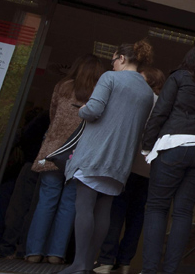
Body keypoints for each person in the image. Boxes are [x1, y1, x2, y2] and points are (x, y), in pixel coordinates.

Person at [58, 40, 156, 274]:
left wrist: (80, 109)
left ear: (122, 58)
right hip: (121, 160)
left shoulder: (110, 78)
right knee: (104, 209)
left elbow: (93, 110)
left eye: (113, 60)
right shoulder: (147, 92)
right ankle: (89, 262)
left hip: (96, 152)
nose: (112, 65)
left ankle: (80, 264)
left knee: (84, 206)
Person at [140, 45, 195, 274]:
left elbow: (160, 112)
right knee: (184, 211)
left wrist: (147, 147)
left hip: (175, 145)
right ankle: (170, 270)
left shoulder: (178, 77)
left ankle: (149, 269)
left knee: (157, 206)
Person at [26, 55, 105, 265]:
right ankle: (56, 254)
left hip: (54, 151)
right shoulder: (100, 93)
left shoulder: (62, 86)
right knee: (70, 204)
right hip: (79, 155)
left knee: (46, 201)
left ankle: (34, 252)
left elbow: (52, 116)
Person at [94, 67, 166, 274]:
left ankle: (106, 260)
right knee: (136, 218)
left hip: (128, 165)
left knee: (115, 212)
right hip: (150, 169)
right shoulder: (162, 104)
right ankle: (125, 262)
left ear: (149, 81)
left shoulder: (140, 98)